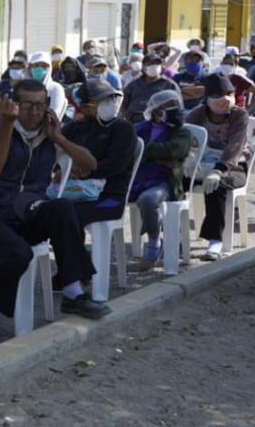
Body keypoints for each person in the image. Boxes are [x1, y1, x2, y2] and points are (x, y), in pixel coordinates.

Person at [0, 79, 109, 345]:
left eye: (41, 105)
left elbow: (90, 164)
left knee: (63, 208)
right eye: (27, 105)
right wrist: (7, 124)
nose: (34, 112)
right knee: (19, 252)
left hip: (25, 212)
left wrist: (59, 138)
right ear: (15, 105)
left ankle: (73, 293)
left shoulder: (47, 133)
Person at [185, 74, 250, 260]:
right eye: (218, 95)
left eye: (228, 94)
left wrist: (218, 169)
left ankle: (215, 240)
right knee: (175, 179)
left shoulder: (239, 114)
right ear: (207, 98)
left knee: (217, 185)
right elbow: (186, 136)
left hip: (233, 166)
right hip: (200, 163)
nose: (224, 99)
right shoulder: (197, 114)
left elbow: (235, 146)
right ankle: (175, 234)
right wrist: (188, 161)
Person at [59, 78, 136, 230]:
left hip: (111, 197)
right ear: (85, 108)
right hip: (74, 191)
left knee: (69, 214)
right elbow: (55, 149)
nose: (109, 104)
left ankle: (75, 253)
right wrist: (62, 170)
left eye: (111, 98)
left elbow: (115, 165)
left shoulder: (123, 129)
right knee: (49, 209)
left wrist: (82, 173)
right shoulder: (76, 127)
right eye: (102, 100)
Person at [128, 91, 193, 266]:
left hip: (166, 181)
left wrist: (145, 151)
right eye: (169, 106)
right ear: (156, 110)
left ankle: (153, 241)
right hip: (136, 179)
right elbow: (128, 151)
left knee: (148, 199)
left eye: (176, 105)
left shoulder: (181, 132)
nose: (176, 109)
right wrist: (158, 156)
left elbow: (175, 151)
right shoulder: (138, 129)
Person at [121, 52, 180, 123]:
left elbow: (178, 107)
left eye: (157, 64)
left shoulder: (169, 85)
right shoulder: (134, 84)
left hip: (158, 122)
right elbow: (123, 103)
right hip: (134, 120)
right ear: (143, 67)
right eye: (150, 64)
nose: (154, 66)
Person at [26, 52, 68, 117]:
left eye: (43, 66)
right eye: (36, 65)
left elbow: (54, 113)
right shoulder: (24, 89)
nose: (39, 68)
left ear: (49, 68)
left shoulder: (55, 88)